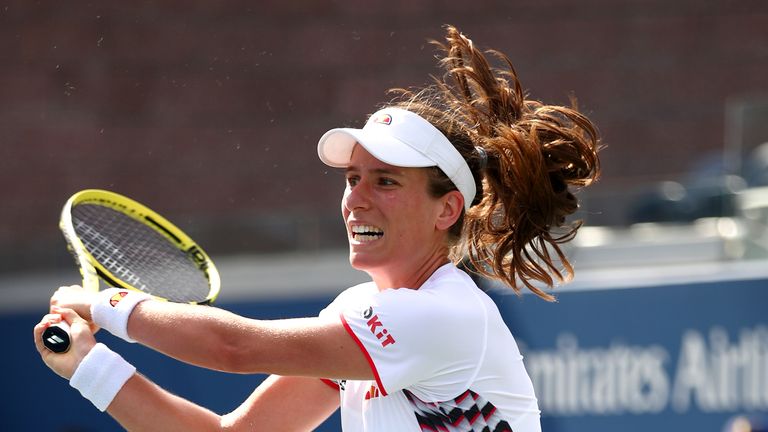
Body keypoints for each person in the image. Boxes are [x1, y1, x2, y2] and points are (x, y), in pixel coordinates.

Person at [34, 25, 600, 431]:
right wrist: (89, 366)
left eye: (385, 181)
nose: (356, 198)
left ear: (446, 210)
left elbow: (232, 347)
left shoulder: (444, 314)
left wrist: (107, 305)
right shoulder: (360, 316)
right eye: (352, 178)